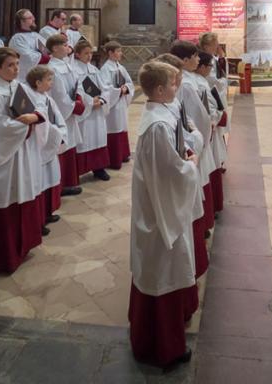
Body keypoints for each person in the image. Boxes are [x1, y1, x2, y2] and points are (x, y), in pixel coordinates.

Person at [128, 60, 201, 371]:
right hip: (159, 211)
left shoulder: (161, 114)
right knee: (162, 270)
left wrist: (182, 156)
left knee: (163, 268)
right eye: (173, 84)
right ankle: (162, 346)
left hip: (160, 202)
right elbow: (169, 173)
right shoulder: (157, 126)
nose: (176, 87)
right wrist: (190, 165)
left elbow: (168, 161)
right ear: (159, 90)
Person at [0, 48, 53, 275]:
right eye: (10, 65)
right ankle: (4, 254)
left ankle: (25, 244)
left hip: (24, 150)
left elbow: (39, 106)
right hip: (6, 155)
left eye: (17, 64)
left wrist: (36, 116)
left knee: (25, 191)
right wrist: (25, 125)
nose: (16, 69)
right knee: (6, 197)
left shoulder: (20, 86)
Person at [169, 41, 216, 242]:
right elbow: (196, 115)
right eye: (196, 56)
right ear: (185, 60)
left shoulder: (188, 80)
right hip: (191, 143)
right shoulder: (186, 84)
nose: (199, 59)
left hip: (192, 139)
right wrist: (201, 136)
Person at [22, 65, 73, 224]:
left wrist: (61, 132)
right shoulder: (32, 99)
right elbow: (42, 125)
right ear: (38, 82)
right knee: (41, 183)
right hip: (40, 149)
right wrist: (57, 134)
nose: (52, 83)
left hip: (51, 144)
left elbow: (58, 118)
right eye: (49, 80)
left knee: (50, 180)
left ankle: (47, 212)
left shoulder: (47, 97)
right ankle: (40, 219)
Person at [44, 34, 85, 201]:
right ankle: (61, 185)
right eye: (65, 44)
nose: (68, 47)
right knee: (62, 147)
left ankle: (69, 182)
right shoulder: (52, 68)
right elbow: (59, 95)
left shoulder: (66, 64)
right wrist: (74, 105)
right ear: (55, 48)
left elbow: (77, 83)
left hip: (70, 109)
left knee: (70, 145)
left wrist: (79, 98)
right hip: (62, 112)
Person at [71, 39, 113, 181]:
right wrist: (90, 102)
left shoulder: (94, 69)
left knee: (98, 138)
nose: (89, 56)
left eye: (90, 53)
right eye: (86, 53)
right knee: (85, 139)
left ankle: (99, 168)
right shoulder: (73, 70)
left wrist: (102, 100)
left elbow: (104, 87)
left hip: (97, 109)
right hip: (86, 112)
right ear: (77, 54)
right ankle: (79, 171)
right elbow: (76, 90)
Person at [195, 52, 226, 215]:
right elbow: (201, 112)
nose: (210, 69)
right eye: (209, 66)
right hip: (203, 132)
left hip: (207, 129)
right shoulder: (195, 84)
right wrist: (214, 118)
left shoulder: (200, 81)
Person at [100, 40, 134, 170]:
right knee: (114, 128)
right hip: (113, 105)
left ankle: (123, 154)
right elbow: (105, 88)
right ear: (110, 53)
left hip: (121, 102)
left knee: (122, 126)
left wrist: (126, 88)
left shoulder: (120, 67)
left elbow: (129, 82)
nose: (121, 53)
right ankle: (114, 159)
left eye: (120, 51)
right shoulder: (105, 69)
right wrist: (119, 91)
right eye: (118, 51)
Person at [9, 9, 49, 79]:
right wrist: (48, 57)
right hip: (24, 77)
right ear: (22, 21)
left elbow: (46, 51)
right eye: (30, 18)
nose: (34, 19)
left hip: (39, 75)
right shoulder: (17, 39)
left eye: (33, 17)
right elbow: (28, 57)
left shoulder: (35, 35)